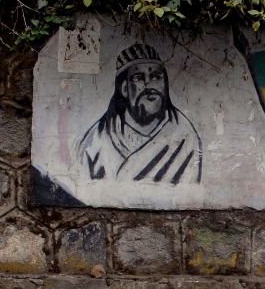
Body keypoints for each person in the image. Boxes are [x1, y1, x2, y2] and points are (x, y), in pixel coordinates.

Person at [76, 43, 202, 184]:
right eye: (138, 77)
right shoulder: (98, 139)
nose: (149, 84)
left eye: (156, 76)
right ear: (124, 88)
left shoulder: (184, 136)